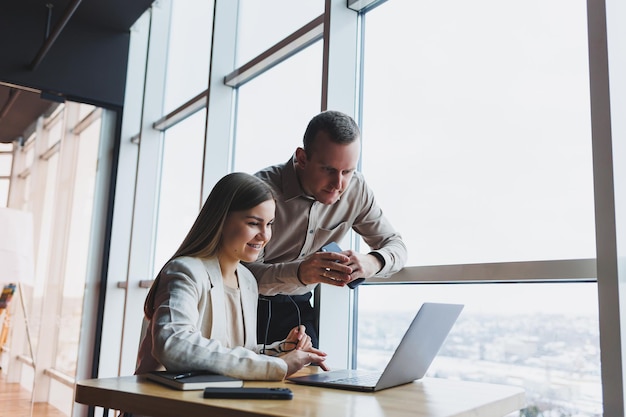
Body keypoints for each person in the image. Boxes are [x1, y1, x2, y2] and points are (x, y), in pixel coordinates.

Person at [135, 172, 328, 381]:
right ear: (222, 220)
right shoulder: (185, 271)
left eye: (270, 224)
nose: (264, 236)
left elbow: (234, 353)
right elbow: (173, 344)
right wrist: (278, 365)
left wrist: (282, 349)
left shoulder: (247, 280)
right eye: (254, 223)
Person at [245, 110, 408, 348]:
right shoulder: (260, 191)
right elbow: (243, 274)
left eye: (348, 171)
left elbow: (396, 245)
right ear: (302, 158)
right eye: (328, 170)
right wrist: (300, 272)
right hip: (245, 304)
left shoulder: (356, 190)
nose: (339, 184)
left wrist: (374, 262)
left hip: (299, 307)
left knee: (312, 379)